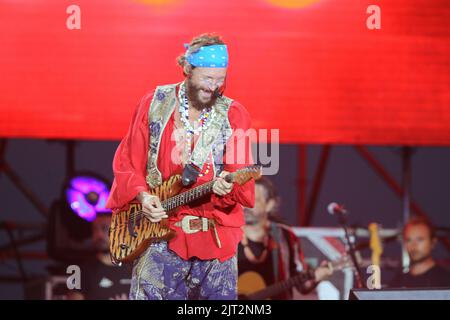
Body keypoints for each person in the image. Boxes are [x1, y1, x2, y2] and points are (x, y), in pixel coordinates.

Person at [106, 33, 254, 300]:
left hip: (215, 239)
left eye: (221, 80)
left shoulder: (233, 114)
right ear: (187, 68)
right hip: (160, 233)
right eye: (207, 78)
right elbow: (129, 160)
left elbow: (239, 172)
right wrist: (143, 195)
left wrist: (227, 184)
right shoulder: (154, 103)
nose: (214, 87)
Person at [238, 177, 333, 300]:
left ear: (269, 204)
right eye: (242, 199)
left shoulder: (285, 236)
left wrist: (316, 277)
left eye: (252, 200)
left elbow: (302, 285)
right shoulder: (228, 234)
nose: (246, 205)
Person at [67, 212, 131, 300]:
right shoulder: (82, 271)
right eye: (95, 230)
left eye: (104, 229)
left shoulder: (137, 268)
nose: (99, 235)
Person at [389, 217, 450, 288]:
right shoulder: (397, 282)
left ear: (433, 243)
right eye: (409, 240)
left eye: (420, 239)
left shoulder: (445, 281)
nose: (413, 245)